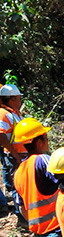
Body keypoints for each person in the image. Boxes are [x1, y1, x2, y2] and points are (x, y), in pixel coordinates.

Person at [0, 84, 26, 214]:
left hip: (20, 154)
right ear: (12, 99)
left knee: (22, 185)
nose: (21, 101)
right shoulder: (3, 114)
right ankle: (20, 216)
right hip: (14, 156)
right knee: (18, 186)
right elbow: (1, 135)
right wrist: (15, 154)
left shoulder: (13, 113)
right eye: (19, 98)